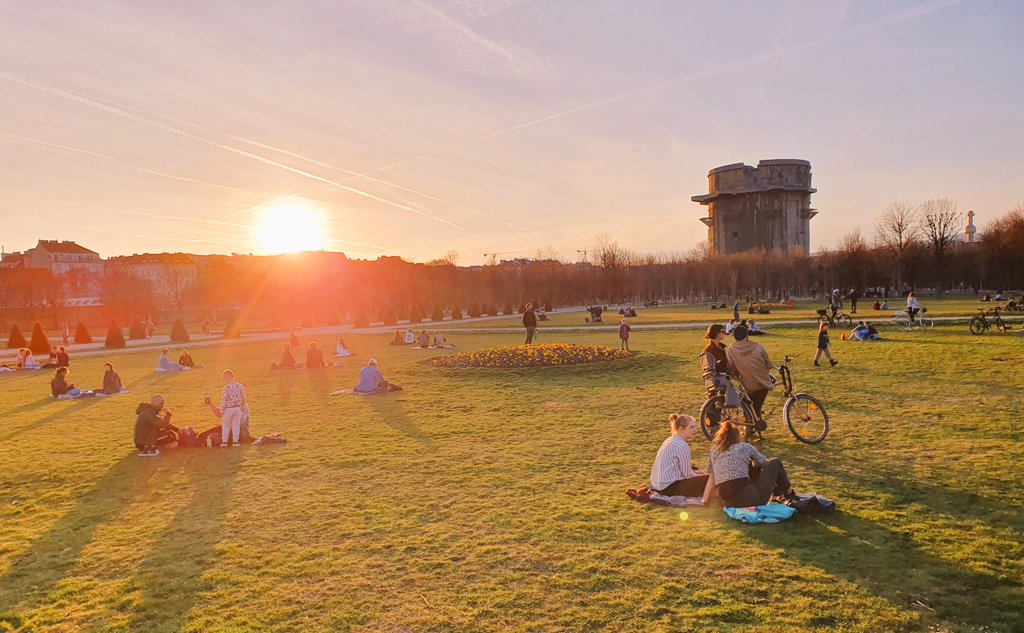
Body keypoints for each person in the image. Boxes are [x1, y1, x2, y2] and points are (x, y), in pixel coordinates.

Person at [701, 421, 797, 508]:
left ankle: (777, 493)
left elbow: (712, 478)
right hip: (751, 500)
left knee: (751, 466)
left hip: (727, 503)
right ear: (738, 436)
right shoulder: (745, 447)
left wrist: (704, 501)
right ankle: (788, 493)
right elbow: (765, 464)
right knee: (775, 463)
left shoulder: (713, 451)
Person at [649, 413, 709, 498]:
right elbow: (688, 475)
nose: (695, 430)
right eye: (691, 427)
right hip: (668, 488)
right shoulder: (682, 446)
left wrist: (694, 472)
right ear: (681, 429)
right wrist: (701, 475)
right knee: (708, 479)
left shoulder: (670, 439)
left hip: (657, 484)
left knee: (694, 469)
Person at [726, 325, 775, 425]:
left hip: (746, 383)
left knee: (749, 403)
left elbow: (731, 368)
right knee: (757, 403)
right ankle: (755, 419)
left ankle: (751, 420)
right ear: (747, 335)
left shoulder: (731, 350)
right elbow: (768, 363)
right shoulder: (757, 346)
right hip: (761, 381)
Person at [700, 324, 740, 408]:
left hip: (724, 372)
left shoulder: (719, 346)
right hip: (719, 376)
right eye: (722, 332)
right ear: (717, 334)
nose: (724, 333)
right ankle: (731, 403)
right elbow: (713, 366)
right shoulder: (710, 349)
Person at [206, 369, 249, 447]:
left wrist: (222, 410)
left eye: (223, 379)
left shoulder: (226, 388)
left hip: (229, 409)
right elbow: (244, 399)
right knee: (236, 425)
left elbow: (224, 400)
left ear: (227, 378)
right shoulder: (240, 386)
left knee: (225, 425)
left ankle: (224, 441)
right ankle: (235, 442)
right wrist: (241, 406)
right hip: (237, 409)